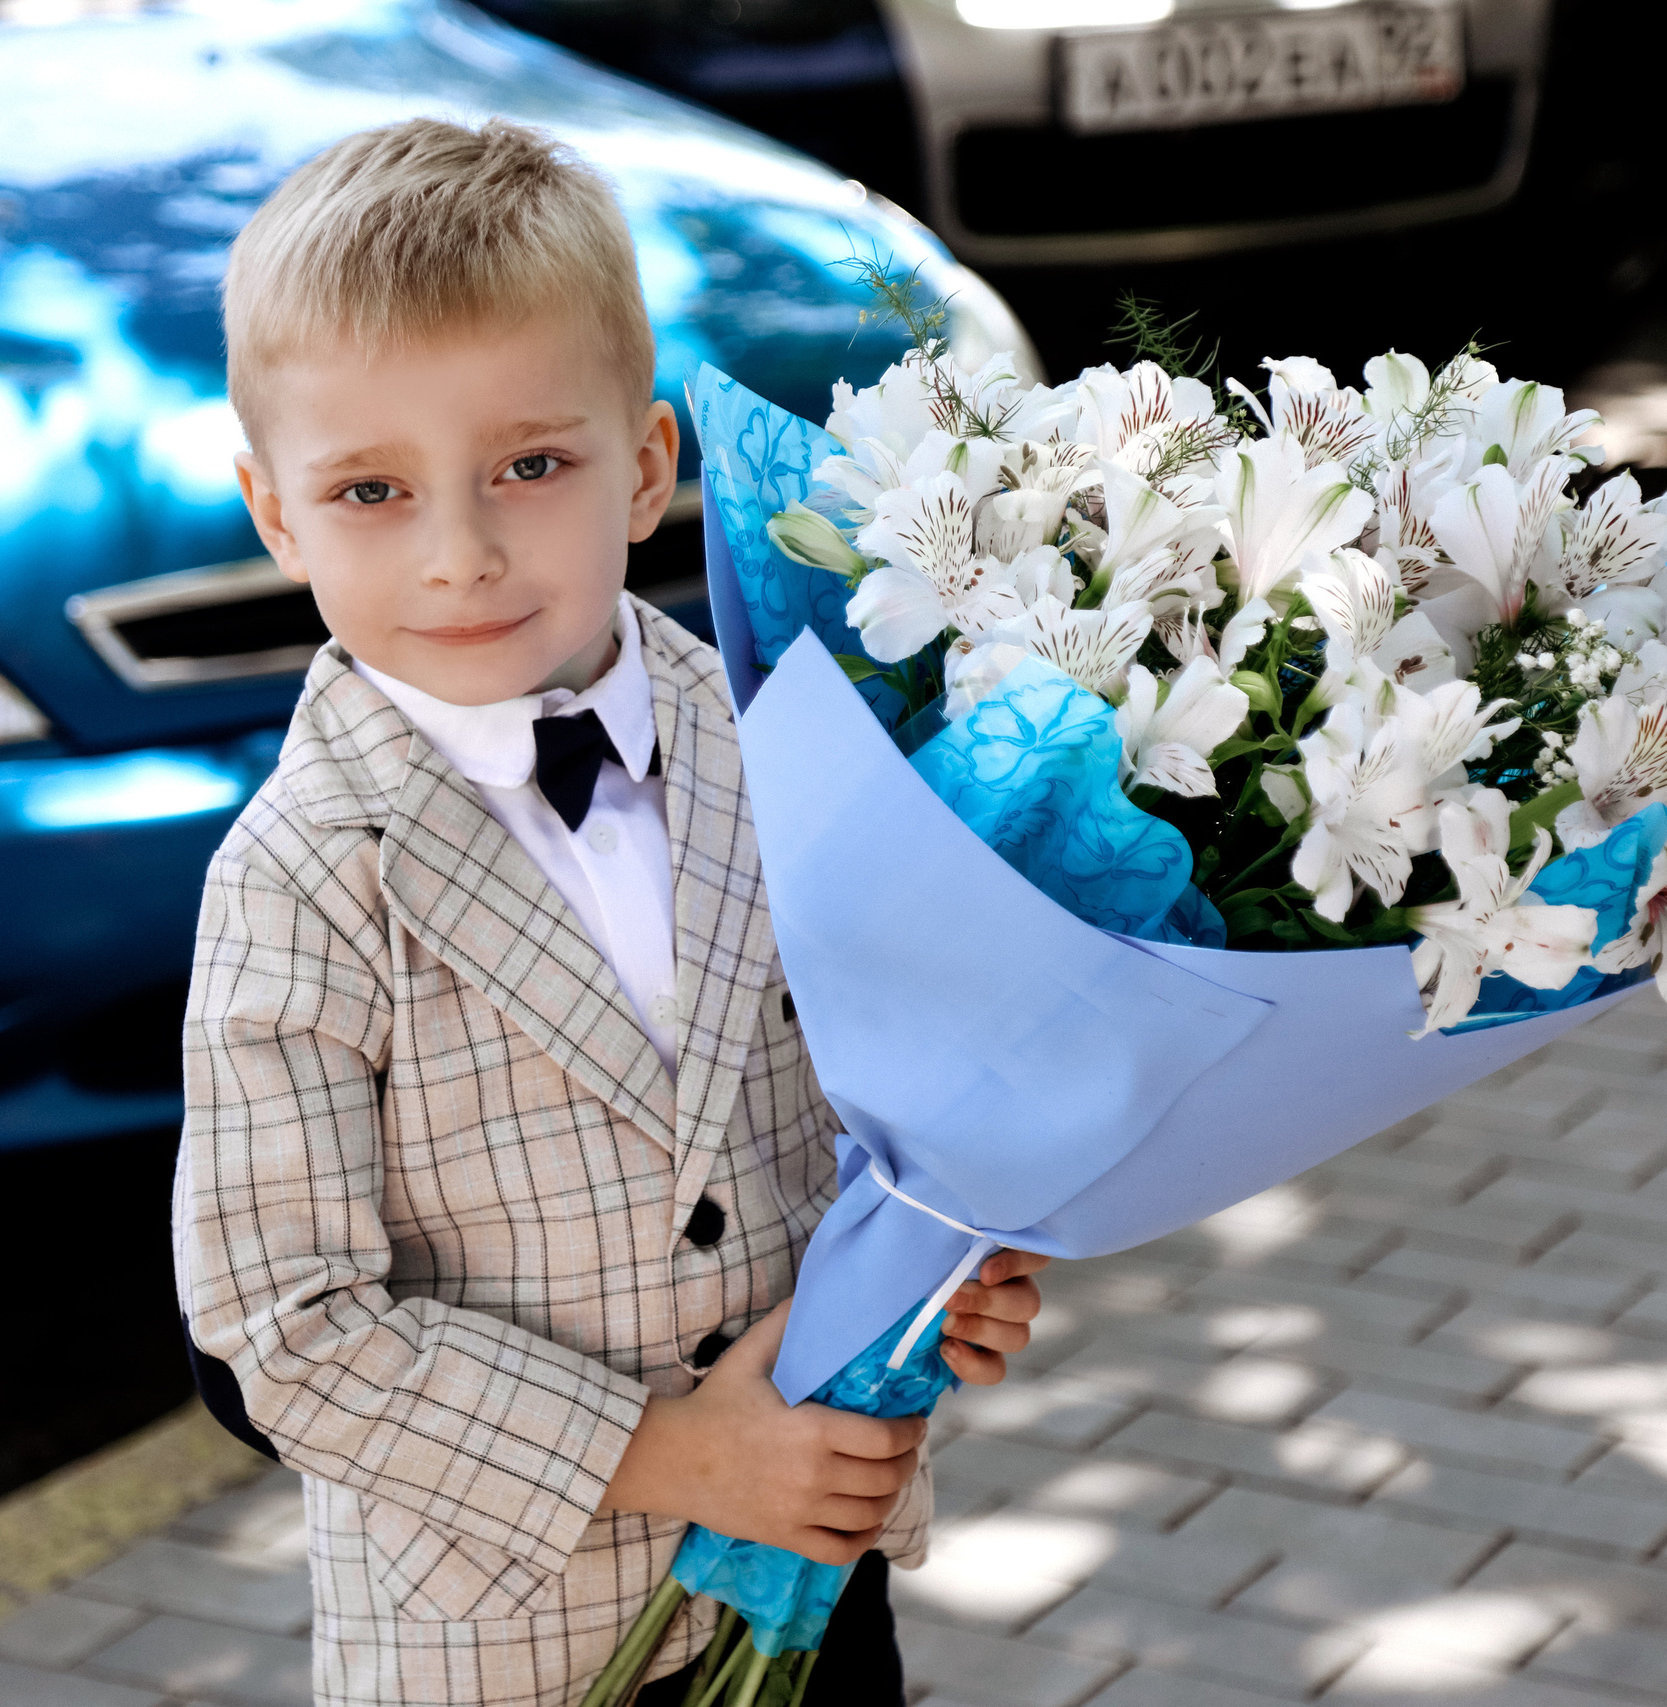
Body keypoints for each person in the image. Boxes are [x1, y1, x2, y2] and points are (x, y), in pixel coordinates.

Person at [170, 117, 1049, 1707]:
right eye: (371, 489)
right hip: (508, 1650)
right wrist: (668, 1453)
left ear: (645, 465)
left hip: (810, 1588)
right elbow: (278, 1332)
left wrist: (935, 1273)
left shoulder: (782, 739)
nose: (462, 552)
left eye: (531, 465)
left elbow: (869, 1102)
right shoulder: (302, 876)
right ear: (277, 515)